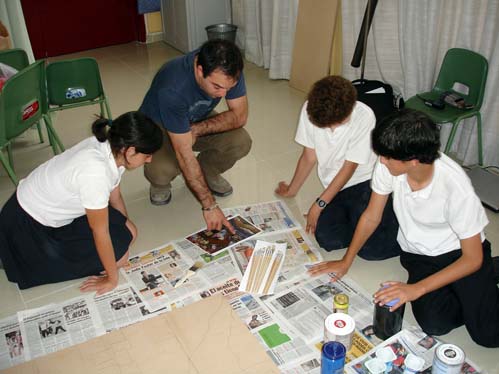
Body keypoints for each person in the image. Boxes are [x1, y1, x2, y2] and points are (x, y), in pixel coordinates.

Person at [309, 109, 499, 347]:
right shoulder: (390, 167)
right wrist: (347, 260)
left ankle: (488, 271)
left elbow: (471, 258)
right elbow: (371, 216)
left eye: (387, 157)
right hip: (419, 255)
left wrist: (416, 289)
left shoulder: (455, 187)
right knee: (435, 324)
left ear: (413, 161)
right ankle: (477, 280)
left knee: (488, 336)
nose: (381, 160)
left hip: (461, 253)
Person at [0, 112, 163, 294]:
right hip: (28, 228)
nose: (150, 160)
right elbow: (100, 232)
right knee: (120, 258)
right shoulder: (95, 172)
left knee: (130, 232)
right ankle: (15, 256)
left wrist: (122, 229)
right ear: (130, 151)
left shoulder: (112, 148)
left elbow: (115, 197)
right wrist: (111, 279)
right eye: (147, 155)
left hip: (44, 210)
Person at [275, 75, 401, 260]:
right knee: (327, 240)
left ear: (351, 108)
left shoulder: (364, 116)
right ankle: (361, 222)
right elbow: (309, 156)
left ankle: (388, 215)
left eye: (336, 123)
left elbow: (349, 168)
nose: (330, 128)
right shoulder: (312, 109)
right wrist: (292, 190)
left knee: (371, 251)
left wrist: (319, 205)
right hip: (335, 185)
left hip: (364, 182)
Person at [139, 39, 251, 234]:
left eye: (229, 88)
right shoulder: (173, 86)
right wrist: (210, 206)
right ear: (199, 70)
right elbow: (184, 154)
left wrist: (197, 129)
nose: (223, 94)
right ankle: (159, 184)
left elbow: (239, 116)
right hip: (159, 124)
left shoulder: (229, 68)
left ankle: (208, 171)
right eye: (217, 87)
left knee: (241, 141)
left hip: (196, 119)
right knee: (164, 169)